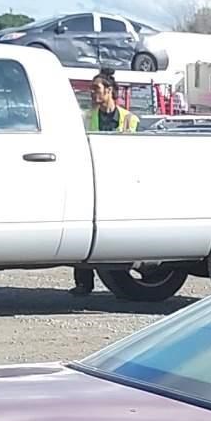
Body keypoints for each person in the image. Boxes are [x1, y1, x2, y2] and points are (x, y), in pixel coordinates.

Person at [72, 71, 140, 295]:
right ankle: (84, 283)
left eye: (96, 89)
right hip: (93, 181)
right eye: (92, 90)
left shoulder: (130, 120)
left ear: (109, 91)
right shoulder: (87, 118)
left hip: (119, 182)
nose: (92, 94)